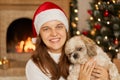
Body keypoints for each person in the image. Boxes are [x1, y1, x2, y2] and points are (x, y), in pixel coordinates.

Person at [25, 2, 109, 80]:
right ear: (40, 35)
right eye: (46, 29)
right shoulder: (34, 65)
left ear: (66, 30)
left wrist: (106, 77)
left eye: (59, 26)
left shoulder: (82, 52)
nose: (54, 33)